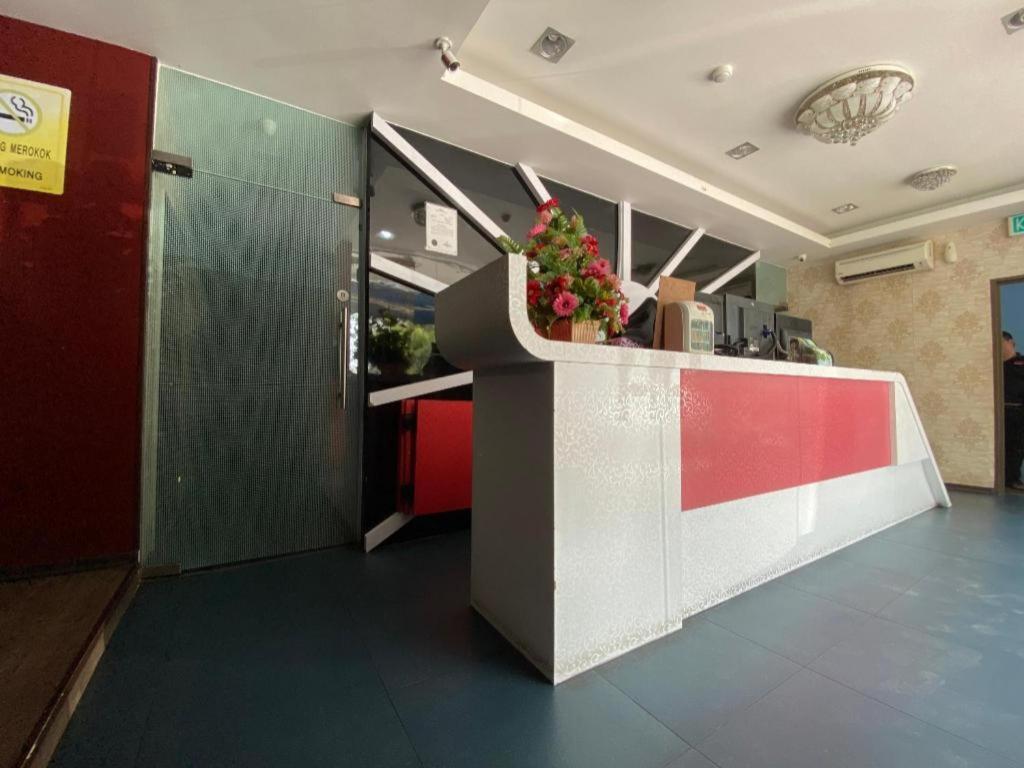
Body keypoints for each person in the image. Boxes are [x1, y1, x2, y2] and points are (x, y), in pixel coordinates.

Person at [1002, 331, 1024, 490]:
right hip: (1000, 410)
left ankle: (1013, 479)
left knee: (1017, 447)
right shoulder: (995, 365)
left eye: (1002, 342)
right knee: (1004, 446)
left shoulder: (1021, 362)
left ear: (1011, 343)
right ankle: (1005, 480)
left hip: (1018, 411)